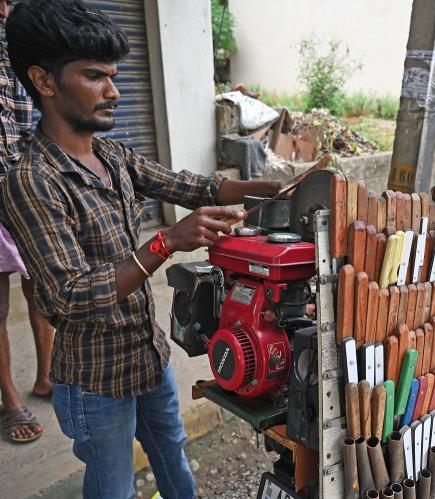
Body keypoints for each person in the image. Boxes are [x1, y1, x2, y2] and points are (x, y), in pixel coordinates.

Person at [1, 0, 286, 496]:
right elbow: (67, 297)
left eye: (113, 75)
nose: (114, 91)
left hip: (146, 357)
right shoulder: (31, 181)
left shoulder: (110, 153)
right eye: (95, 76)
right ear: (44, 82)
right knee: (113, 488)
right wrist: (166, 242)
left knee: (173, 458)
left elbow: (192, 187)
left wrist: (278, 188)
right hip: (94, 381)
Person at [0, 0, 54, 444]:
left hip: (23, 182)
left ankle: (47, 377)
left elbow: (32, 116)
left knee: (42, 284)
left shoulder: (17, 41)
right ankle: (10, 400)